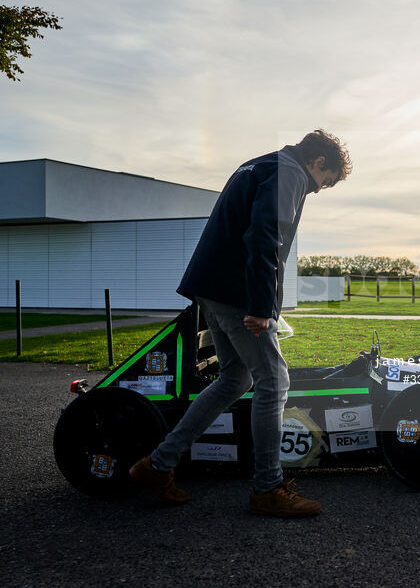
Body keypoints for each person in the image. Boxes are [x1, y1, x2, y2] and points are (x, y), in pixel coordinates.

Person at [128, 129, 352, 518]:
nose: (319, 189)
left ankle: (158, 466)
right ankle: (268, 487)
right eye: (326, 181)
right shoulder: (291, 173)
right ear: (318, 163)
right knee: (274, 380)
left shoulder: (260, 164)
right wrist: (261, 305)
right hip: (236, 293)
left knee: (235, 379)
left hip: (212, 288)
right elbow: (266, 236)